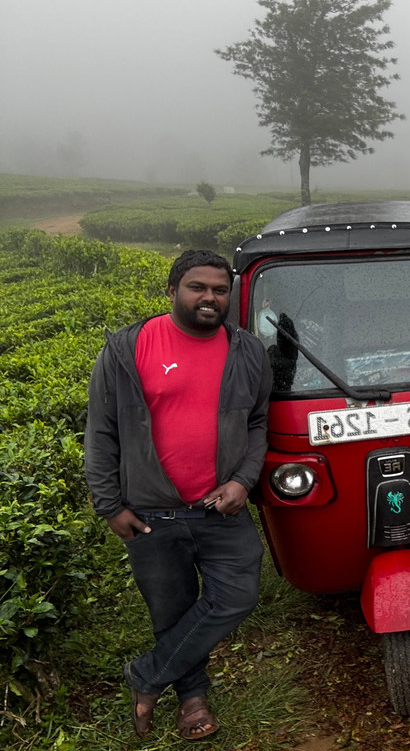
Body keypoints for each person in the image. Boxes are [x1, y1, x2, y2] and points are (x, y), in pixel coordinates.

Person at [84, 249, 272, 741]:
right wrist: (109, 504)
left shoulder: (247, 351)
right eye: (198, 287)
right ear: (172, 291)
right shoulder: (128, 348)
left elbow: (257, 423)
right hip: (150, 513)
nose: (210, 297)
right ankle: (192, 702)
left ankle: (146, 675)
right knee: (172, 611)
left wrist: (243, 480)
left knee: (237, 594)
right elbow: (101, 432)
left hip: (220, 507)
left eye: (220, 289)